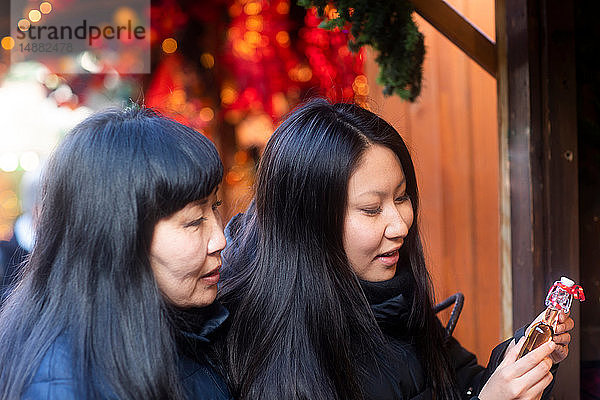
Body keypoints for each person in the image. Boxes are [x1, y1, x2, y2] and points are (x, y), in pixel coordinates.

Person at [219, 98, 574, 400]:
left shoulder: (394, 293)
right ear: (310, 220)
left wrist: (521, 360)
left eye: (402, 197)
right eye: (372, 209)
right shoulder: (272, 349)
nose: (401, 224)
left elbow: (462, 386)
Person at [0, 107, 232, 400]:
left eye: (215, 207)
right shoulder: (60, 382)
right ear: (121, 234)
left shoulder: (190, 328)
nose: (219, 239)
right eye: (194, 221)